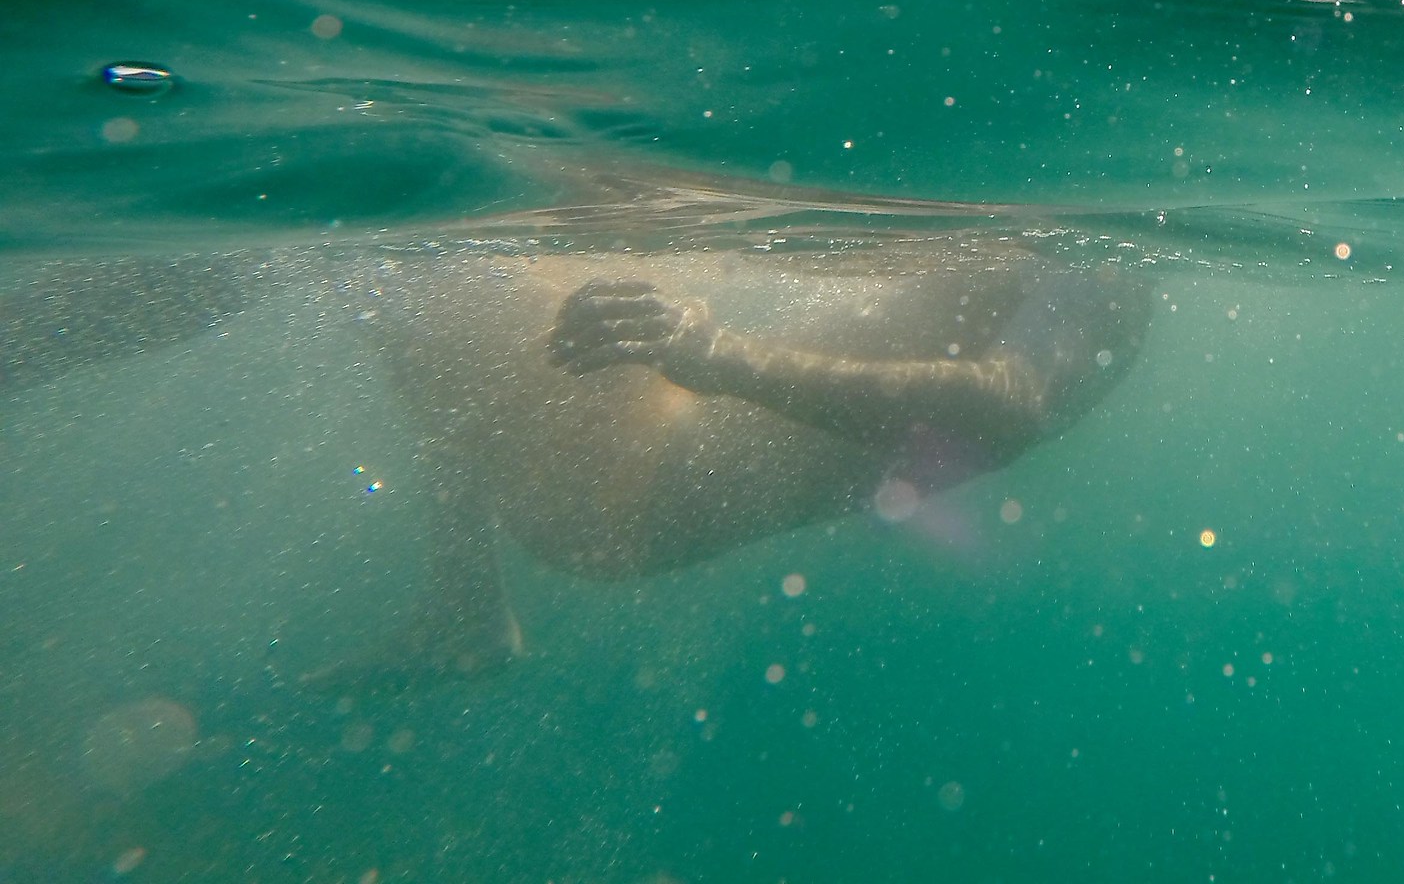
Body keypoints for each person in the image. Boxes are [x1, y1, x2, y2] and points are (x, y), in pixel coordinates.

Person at [1, 211, 1149, 688]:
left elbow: (1009, 404)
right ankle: (462, 611)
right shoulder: (1059, 235)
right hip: (633, 485)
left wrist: (713, 354)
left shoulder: (1097, 261)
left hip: (642, 481)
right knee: (420, 274)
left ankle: (38, 335)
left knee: (392, 245)